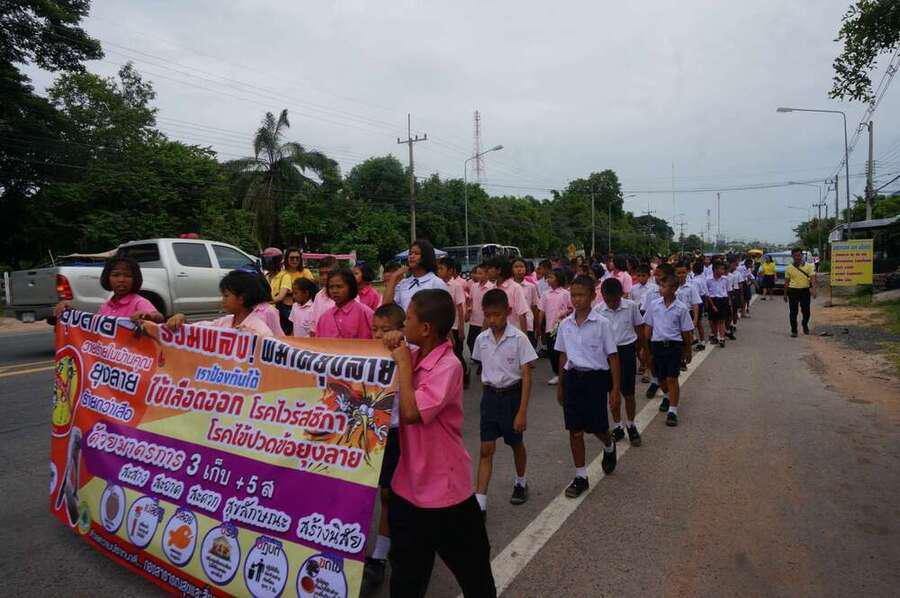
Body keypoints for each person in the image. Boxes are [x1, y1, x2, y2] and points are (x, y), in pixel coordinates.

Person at [381, 290, 496, 597]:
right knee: (406, 580)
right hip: (407, 487)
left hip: (446, 493)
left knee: (475, 577)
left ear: (425, 328)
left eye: (407, 319)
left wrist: (403, 364)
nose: (403, 325)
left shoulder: (448, 366)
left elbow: (411, 413)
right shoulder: (413, 353)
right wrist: (388, 340)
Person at [472, 289, 538, 517]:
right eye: (488, 315)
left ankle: (521, 481)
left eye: (497, 315)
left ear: (508, 312)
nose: (492, 320)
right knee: (486, 448)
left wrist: (522, 412)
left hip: (512, 397)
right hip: (490, 398)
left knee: (515, 443)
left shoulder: (519, 338)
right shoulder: (481, 340)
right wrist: (486, 401)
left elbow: (527, 377)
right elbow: (484, 371)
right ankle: (480, 501)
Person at [554, 275, 620, 498]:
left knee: (597, 427)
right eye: (573, 295)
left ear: (592, 296)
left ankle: (608, 444)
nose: (577, 299)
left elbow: (613, 357)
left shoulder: (602, 324)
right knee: (575, 430)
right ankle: (581, 476)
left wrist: (615, 389)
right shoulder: (565, 324)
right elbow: (563, 355)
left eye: (581, 295)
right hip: (573, 379)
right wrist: (561, 384)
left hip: (596, 380)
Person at [362, 303, 406, 591]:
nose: (379, 335)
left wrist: (400, 344)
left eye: (385, 330)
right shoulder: (365, 354)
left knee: (389, 494)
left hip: (394, 433)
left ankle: (380, 555)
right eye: (375, 329)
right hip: (367, 433)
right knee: (360, 491)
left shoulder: (405, 353)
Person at [597, 278, 643, 446]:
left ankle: (631, 425)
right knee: (612, 393)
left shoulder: (631, 307)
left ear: (621, 295)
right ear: (602, 296)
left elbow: (639, 328)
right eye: (608, 300)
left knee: (628, 393)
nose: (611, 304)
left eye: (615, 300)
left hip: (626, 351)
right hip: (607, 355)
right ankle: (617, 426)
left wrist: (642, 351)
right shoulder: (598, 310)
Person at [643, 275, 694, 427]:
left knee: (672, 378)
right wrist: (646, 348)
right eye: (660, 285)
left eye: (664, 286)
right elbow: (648, 327)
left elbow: (686, 332)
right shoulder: (654, 305)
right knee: (660, 378)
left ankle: (672, 410)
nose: (660, 289)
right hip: (657, 345)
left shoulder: (681, 308)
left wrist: (688, 350)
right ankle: (666, 395)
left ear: (674, 289)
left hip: (674, 346)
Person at [56, 256, 163, 322]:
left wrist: (148, 316)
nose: (121, 280)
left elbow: (159, 317)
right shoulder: (106, 306)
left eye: (128, 276)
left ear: (136, 279)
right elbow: (93, 325)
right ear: (107, 278)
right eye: (115, 275)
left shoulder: (139, 302)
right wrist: (69, 312)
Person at [167, 270, 273, 336]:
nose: (222, 300)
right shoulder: (224, 322)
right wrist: (181, 320)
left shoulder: (260, 331)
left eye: (226, 295)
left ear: (241, 298)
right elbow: (198, 329)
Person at [384, 239, 449, 313]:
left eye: (416, 253)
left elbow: (445, 312)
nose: (411, 256)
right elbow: (386, 307)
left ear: (426, 256)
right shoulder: (404, 283)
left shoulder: (436, 283)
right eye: (410, 253)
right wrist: (393, 277)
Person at [315, 267, 373, 339]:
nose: (334, 291)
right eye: (331, 287)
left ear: (351, 287)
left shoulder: (366, 313)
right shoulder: (324, 318)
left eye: (339, 286)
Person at [437, 257, 469, 386]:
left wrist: (461, 328)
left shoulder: (456, 286)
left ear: (450, 271)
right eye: (438, 269)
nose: (439, 271)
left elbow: (460, 307)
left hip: (454, 326)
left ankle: (465, 375)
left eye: (441, 268)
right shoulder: (437, 284)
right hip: (443, 326)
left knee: (457, 353)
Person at [537, 268, 571, 386]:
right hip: (550, 328)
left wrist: (565, 312)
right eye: (548, 277)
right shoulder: (545, 294)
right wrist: (539, 326)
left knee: (562, 351)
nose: (548, 279)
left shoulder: (565, 293)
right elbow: (541, 311)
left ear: (558, 279)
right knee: (552, 351)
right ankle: (557, 373)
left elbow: (571, 308)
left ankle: (564, 373)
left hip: (563, 327)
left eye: (551, 277)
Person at [485, 257, 529, 331]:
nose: (487, 271)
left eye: (490, 268)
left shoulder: (515, 288)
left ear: (499, 270)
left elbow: (522, 314)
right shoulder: (492, 288)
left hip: (512, 334)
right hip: (495, 332)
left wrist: (524, 336)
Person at [783, 247, 816, 337]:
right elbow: (786, 282)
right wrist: (785, 294)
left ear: (802, 255)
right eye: (795, 256)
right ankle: (794, 330)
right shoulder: (789, 268)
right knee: (793, 312)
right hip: (793, 291)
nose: (797, 257)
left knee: (806, 311)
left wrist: (814, 290)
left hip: (805, 291)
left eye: (799, 255)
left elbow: (813, 279)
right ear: (792, 256)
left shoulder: (809, 266)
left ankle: (804, 324)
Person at [675, 261, 703, 364]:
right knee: (677, 338)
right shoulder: (672, 288)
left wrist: (695, 319)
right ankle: (679, 359)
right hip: (674, 316)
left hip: (687, 315)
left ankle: (684, 357)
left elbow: (695, 304)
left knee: (686, 338)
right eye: (679, 273)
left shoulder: (691, 287)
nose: (681, 275)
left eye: (683, 272)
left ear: (687, 272)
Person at [466, 264, 494, 360]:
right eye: (477, 273)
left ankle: (483, 362)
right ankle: (478, 360)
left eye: (480, 273)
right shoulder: (474, 286)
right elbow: (470, 300)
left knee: (484, 343)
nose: (478, 276)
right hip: (474, 320)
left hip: (485, 321)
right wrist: (469, 310)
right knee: (470, 341)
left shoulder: (491, 287)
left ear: (487, 274)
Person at [512, 257, 540, 347]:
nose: (519, 269)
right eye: (516, 267)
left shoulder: (531, 287)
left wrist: (537, 326)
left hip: (528, 324)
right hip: (512, 325)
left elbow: (535, 307)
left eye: (522, 266)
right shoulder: (509, 286)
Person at [705, 260, 731, 348]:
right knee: (713, 320)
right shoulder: (708, 280)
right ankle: (715, 336)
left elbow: (728, 291)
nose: (723, 271)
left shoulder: (725, 279)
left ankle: (722, 338)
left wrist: (729, 302)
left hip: (723, 300)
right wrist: (712, 305)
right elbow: (707, 294)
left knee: (722, 320)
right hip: (712, 300)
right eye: (721, 269)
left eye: (723, 269)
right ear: (715, 270)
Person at [311, 256, 339, 328]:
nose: (324, 277)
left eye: (328, 273)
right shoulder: (318, 296)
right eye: (321, 274)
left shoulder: (347, 296)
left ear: (337, 273)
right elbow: (314, 322)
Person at [689, 260, 708, 351]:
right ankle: (700, 340)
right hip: (701, 300)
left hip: (696, 302)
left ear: (693, 269)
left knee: (694, 322)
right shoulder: (702, 278)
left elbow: (694, 294)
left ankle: (696, 340)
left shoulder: (695, 281)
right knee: (698, 323)